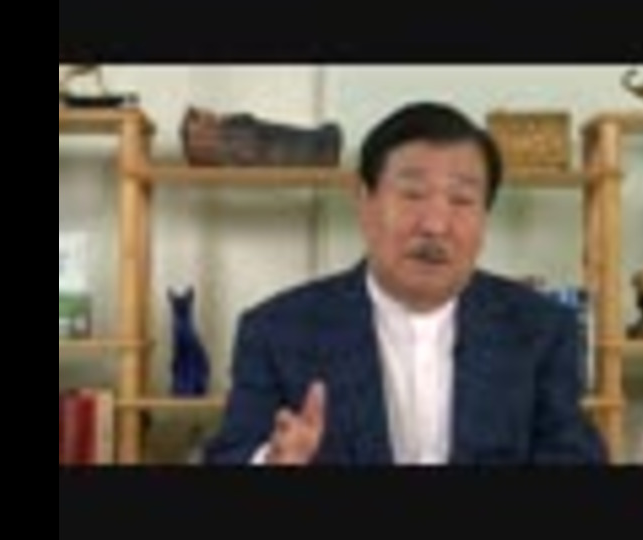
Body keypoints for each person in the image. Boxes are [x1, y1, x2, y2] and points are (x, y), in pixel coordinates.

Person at [202, 101, 606, 465]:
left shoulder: (541, 329)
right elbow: (230, 453)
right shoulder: (277, 330)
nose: (435, 225)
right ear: (365, 201)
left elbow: (573, 453)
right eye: (413, 194)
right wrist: (272, 461)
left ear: (485, 216)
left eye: (462, 200)